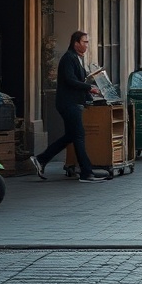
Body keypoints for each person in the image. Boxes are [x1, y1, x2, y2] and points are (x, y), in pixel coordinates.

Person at [30, 31, 107, 183]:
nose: (86, 45)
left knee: (71, 136)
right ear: (76, 43)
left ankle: (41, 159)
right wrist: (88, 88)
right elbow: (70, 80)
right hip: (68, 103)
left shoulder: (76, 58)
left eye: (87, 42)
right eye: (84, 42)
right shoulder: (68, 58)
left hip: (73, 103)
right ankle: (86, 173)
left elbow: (77, 79)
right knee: (79, 136)